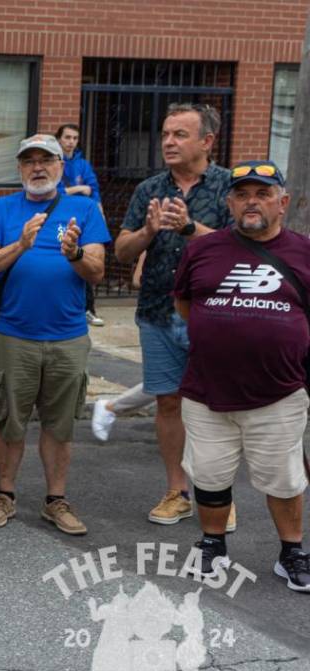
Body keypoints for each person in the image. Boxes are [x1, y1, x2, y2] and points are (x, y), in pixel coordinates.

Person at [173, 160, 309, 593]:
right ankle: (213, 544)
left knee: (284, 478)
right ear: (229, 202)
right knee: (210, 476)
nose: (253, 202)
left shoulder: (304, 253)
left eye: (263, 193)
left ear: (282, 202)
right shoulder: (202, 249)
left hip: (279, 393)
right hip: (206, 392)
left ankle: (292, 553)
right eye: (243, 194)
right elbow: (185, 304)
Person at [0, 134, 109, 536]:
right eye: (29, 161)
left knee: (59, 423)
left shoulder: (84, 209)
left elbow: (98, 270)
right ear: (19, 169)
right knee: (9, 421)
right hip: (13, 335)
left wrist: (75, 254)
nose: (37, 167)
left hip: (68, 336)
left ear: (60, 167)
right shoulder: (1, 209)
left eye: (45, 160)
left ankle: (56, 500)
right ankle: (4, 495)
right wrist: (21, 244)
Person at [114, 103, 234, 529]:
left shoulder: (229, 187)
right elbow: (122, 250)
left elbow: (238, 248)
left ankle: (217, 493)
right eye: (166, 133)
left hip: (214, 316)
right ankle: (177, 490)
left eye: (180, 134)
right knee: (168, 401)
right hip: (157, 312)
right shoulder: (149, 189)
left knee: (215, 407)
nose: (168, 141)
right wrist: (147, 233)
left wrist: (188, 228)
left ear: (206, 141)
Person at [55, 124, 106, 328]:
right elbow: (57, 191)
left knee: (86, 260)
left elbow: (93, 190)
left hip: (85, 219)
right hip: (61, 218)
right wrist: (79, 188)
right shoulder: (55, 163)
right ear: (59, 139)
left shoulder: (83, 164)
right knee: (64, 261)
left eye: (75, 138)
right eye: (67, 137)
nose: (71, 142)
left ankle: (88, 309)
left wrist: (100, 211)